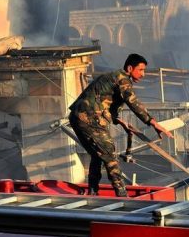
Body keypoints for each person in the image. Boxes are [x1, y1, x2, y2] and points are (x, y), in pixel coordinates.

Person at [68, 53, 173, 196]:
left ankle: (93, 192)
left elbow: (105, 103)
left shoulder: (114, 77)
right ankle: (122, 196)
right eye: (141, 70)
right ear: (130, 68)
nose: (143, 74)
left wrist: (120, 121)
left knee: (98, 154)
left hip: (79, 117)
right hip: (88, 119)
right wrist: (153, 122)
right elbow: (133, 103)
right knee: (109, 152)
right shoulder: (122, 79)